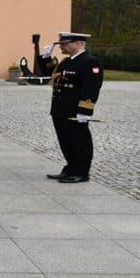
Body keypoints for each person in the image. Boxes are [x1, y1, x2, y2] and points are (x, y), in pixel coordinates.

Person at [44, 32, 104, 183]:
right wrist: (46, 58)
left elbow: (91, 89)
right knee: (65, 141)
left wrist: (85, 111)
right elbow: (50, 73)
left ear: (79, 43)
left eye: (66, 43)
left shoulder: (90, 62)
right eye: (61, 44)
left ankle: (81, 172)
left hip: (75, 111)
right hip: (60, 109)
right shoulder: (66, 61)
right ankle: (70, 168)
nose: (62, 46)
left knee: (79, 141)